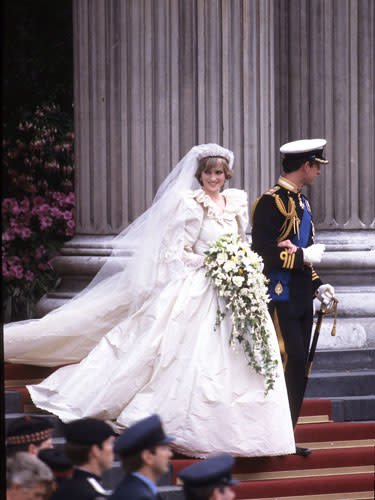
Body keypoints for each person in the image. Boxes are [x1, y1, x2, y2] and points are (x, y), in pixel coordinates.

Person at [5, 143, 295, 457]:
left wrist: (241, 262)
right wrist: (211, 262)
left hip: (234, 287)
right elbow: (176, 252)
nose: (215, 178)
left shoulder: (236, 202)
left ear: (227, 175)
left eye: (220, 172)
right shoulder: (189, 204)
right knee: (186, 354)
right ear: (200, 174)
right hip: (201, 284)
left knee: (241, 358)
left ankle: (247, 431)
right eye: (209, 172)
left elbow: (242, 242)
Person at [251, 139, 336, 456]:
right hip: (279, 295)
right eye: (317, 166)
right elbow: (263, 254)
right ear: (306, 165)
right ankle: (273, 436)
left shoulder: (303, 203)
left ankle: (286, 435)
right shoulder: (269, 203)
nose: (318, 172)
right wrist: (301, 257)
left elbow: (305, 255)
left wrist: (319, 285)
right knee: (291, 360)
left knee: (301, 366)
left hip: (301, 297)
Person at [110, 414, 174, 500]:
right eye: (164, 448)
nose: (170, 454)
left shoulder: (134, 489)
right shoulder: (140, 496)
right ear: (148, 457)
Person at [50, 418, 115, 500]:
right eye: (110, 443)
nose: (114, 449)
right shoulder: (96, 496)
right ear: (96, 450)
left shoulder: (61, 490)